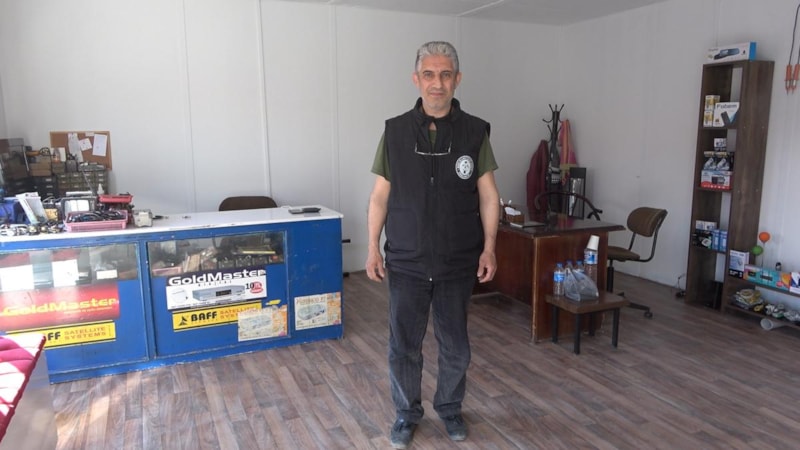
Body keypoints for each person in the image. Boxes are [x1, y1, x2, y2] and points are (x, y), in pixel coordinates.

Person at [365, 41, 500, 449]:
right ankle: (406, 414)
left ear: (457, 79)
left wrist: (489, 246)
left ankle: (450, 407)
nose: (436, 83)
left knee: (455, 346)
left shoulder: (475, 132)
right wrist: (372, 246)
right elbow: (379, 197)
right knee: (403, 347)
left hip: (457, 262)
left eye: (444, 75)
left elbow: (489, 196)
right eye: (429, 74)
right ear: (416, 79)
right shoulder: (394, 132)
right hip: (406, 261)